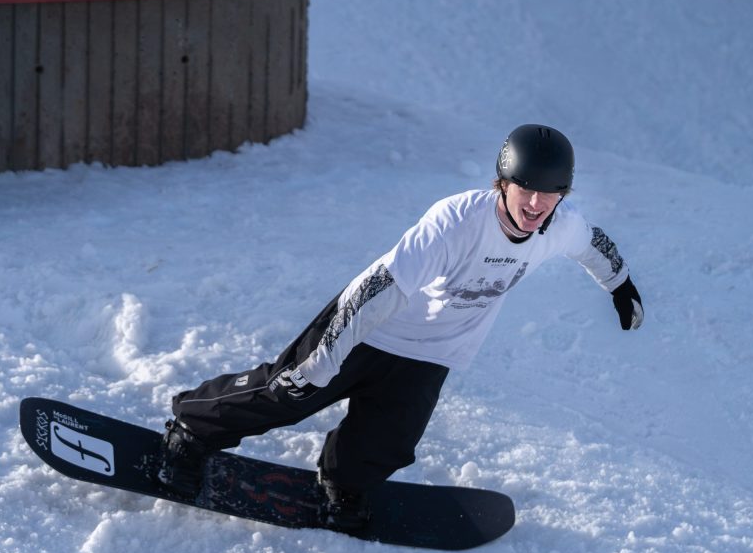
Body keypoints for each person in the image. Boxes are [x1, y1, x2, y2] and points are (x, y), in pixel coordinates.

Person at [157, 124, 644, 532]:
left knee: (389, 437)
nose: (537, 203)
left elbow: (594, 243)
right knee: (287, 392)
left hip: (434, 350)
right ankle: (191, 428)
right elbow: (379, 286)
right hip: (368, 326)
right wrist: (323, 360)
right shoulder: (455, 222)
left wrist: (619, 285)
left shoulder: (561, 223)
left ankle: (342, 486)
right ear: (502, 183)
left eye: (551, 193)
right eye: (526, 189)